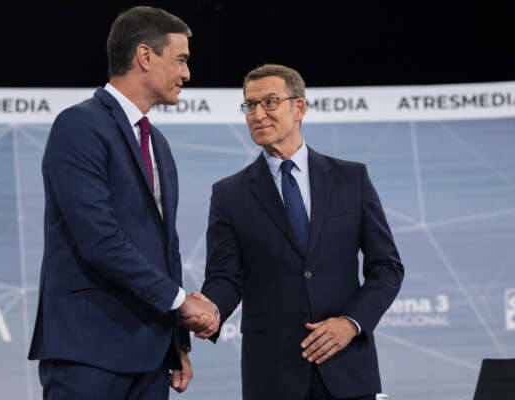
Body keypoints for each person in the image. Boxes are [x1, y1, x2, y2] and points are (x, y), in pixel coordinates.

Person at [28, 6, 219, 400]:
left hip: (151, 355)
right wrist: (181, 302)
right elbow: (100, 239)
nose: (187, 74)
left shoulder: (157, 143)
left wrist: (177, 341)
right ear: (145, 56)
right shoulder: (79, 126)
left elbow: (165, 248)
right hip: (89, 351)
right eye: (180, 59)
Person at [198, 64, 404, 400]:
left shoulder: (351, 179)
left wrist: (350, 323)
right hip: (273, 373)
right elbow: (225, 278)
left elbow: (387, 268)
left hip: (347, 368)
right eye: (250, 105)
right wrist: (211, 311)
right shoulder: (229, 194)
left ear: (299, 108)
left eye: (269, 102)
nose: (257, 114)